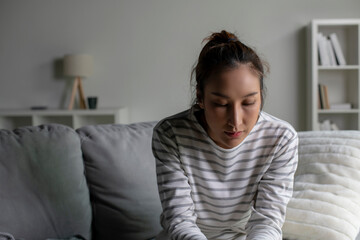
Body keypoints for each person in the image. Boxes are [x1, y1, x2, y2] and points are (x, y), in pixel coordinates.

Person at [152, 30, 298, 240]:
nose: (236, 121)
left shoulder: (281, 139)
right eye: (221, 104)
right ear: (200, 98)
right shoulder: (171, 134)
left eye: (249, 103)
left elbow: (267, 222)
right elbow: (180, 221)